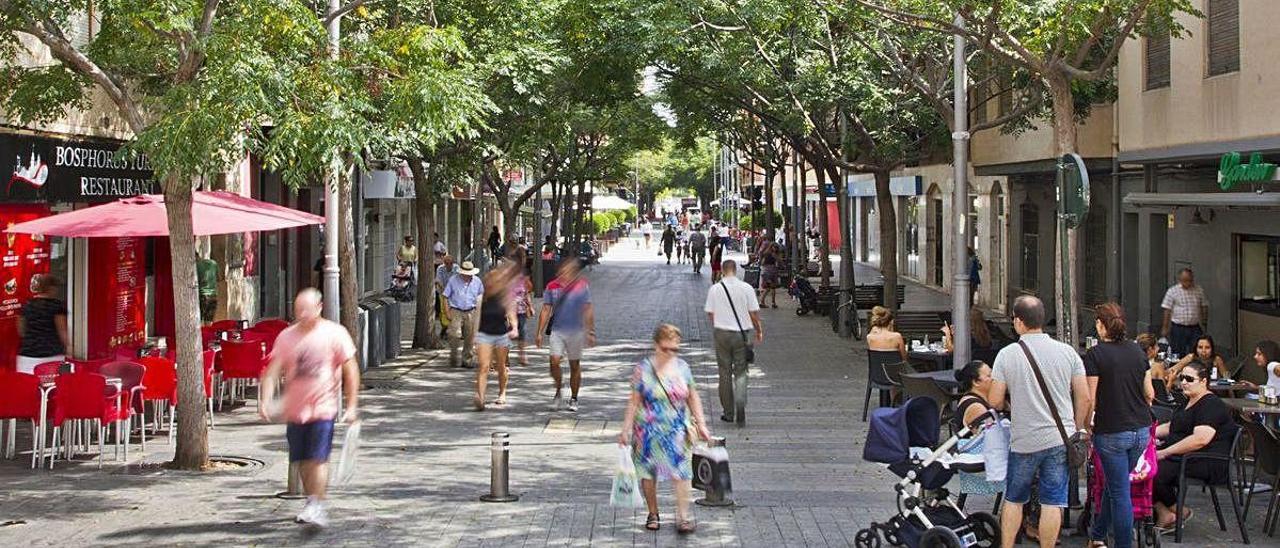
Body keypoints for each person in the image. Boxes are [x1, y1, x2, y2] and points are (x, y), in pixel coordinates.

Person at [987, 295, 1090, 548]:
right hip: (1060, 439)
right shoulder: (1068, 353)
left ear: (1018, 321)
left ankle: (1007, 546)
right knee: (1052, 501)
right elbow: (1085, 397)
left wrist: (1014, 401)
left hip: (1024, 441)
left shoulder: (1007, 355)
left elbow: (995, 401)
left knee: (1014, 499)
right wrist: (1075, 428)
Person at [258, 288, 359, 529]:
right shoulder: (287, 336)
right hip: (296, 409)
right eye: (298, 310)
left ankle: (317, 503)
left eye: (307, 309)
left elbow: (350, 369)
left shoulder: (335, 333)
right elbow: (272, 370)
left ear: (319, 307)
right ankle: (311, 501)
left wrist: (351, 404)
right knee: (301, 459)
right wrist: (265, 400)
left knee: (317, 458)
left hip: (323, 407)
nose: (302, 314)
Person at [618, 324, 712, 535]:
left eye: (675, 349)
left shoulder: (683, 368)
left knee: (681, 473)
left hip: (678, 430)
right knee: (649, 473)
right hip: (648, 432)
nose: (670, 353)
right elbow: (633, 402)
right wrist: (626, 430)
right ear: (656, 345)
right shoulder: (642, 369)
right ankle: (653, 513)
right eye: (665, 348)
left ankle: (683, 516)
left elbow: (692, 396)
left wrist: (702, 424)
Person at [1083, 303, 1155, 548]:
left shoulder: (1095, 355)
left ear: (1102, 326)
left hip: (1111, 430)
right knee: (1117, 484)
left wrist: (1085, 424)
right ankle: (1098, 534)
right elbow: (1149, 392)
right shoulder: (1137, 351)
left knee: (1120, 491)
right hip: (1141, 430)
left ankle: (1122, 544)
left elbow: (1090, 398)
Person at [1152, 360, 1237, 529]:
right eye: (1182, 378)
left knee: (1151, 470)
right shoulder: (1188, 401)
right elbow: (1171, 426)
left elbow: (1201, 439)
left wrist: (1165, 452)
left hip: (1205, 460)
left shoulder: (1211, 404)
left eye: (1189, 379)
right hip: (1185, 457)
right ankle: (1165, 513)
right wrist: (1146, 434)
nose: (1183, 382)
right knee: (1141, 464)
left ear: (1204, 381)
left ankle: (1179, 511)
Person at [705, 260, 763, 426]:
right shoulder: (746, 288)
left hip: (722, 333)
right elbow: (753, 313)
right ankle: (740, 403)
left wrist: (720, 323)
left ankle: (728, 413)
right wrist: (758, 330)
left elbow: (710, 313)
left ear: (723, 271)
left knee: (724, 372)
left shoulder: (715, 289)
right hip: (742, 334)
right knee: (741, 371)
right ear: (735, 270)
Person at [536, 259, 595, 412]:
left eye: (569, 269)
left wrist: (590, 331)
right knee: (554, 362)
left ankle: (574, 397)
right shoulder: (552, 286)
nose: (565, 272)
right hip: (557, 330)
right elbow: (546, 309)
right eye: (564, 269)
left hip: (576, 331)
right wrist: (539, 332)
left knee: (574, 365)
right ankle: (558, 389)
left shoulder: (581, 286)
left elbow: (587, 308)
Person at [950, 360, 1003, 496]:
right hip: (979, 458)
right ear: (976, 382)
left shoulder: (978, 400)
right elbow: (991, 437)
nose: (994, 379)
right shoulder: (976, 407)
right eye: (990, 376)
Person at [474, 264, 519, 410]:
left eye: (497, 279)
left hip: (501, 334)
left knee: (501, 366)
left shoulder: (505, 297)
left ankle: (502, 392)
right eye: (491, 278)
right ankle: (480, 397)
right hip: (484, 334)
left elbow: (512, 313)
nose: (493, 281)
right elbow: (477, 317)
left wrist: (514, 327)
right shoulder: (482, 298)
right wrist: (474, 337)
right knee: (483, 366)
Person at [16, 274, 68, 374]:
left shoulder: (27, 305)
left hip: (27, 354)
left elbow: (21, 330)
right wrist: (68, 347)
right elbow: (62, 331)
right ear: (51, 288)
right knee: (52, 386)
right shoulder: (57, 306)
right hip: (52, 354)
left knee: (27, 387)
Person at [443, 261, 483, 368]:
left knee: (469, 336)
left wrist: (480, 312)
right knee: (454, 334)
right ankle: (453, 355)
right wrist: (447, 312)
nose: (467, 275)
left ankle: (467, 360)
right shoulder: (453, 280)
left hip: (471, 310)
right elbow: (445, 296)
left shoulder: (477, 281)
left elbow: (481, 297)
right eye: (465, 273)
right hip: (456, 310)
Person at [1161, 268, 1208, 358]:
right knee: (1177, 352)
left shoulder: (1198, 290)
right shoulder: (1172, 291)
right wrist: (1165, 327)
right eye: (1185, 280)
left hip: (1194, 327)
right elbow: (1167, 309)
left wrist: (1204, 322)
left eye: (1190, 280)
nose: (1188, 283)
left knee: (1196, 351)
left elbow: (1204, 306)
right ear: (1179, 280)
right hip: (1178, 327)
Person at [509, 252, 534, 366]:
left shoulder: (523, 278)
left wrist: (530, 306)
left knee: (522, 332)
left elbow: (526, 293)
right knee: (507, 333)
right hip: (509, 310)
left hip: (521, 310)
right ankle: (503, 356)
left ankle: (522, 354)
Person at [196, 254, 219, 324]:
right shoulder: (213, 263)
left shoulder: (196, 266)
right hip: (213, 295)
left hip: (202, 296)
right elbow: (218, 278)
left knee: (199, 321)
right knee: (209, 321)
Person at [757, 240, 780, 308]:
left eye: (776, 247)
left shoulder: (766, 253)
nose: (775, 248)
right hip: (770, 272)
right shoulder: (772, 254)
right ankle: (763, 302)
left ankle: (772, 302)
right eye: (774, 247)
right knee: (769, 288)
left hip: (768, 271)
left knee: (772, 288)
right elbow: (778, 260)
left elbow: (762, 261)